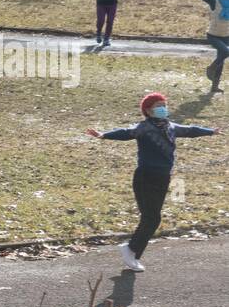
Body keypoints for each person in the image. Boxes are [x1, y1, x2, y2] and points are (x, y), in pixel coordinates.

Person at [86, 93, 217, 272]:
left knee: (152, 218)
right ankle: (131, 251)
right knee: (152, 217)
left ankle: (132, 251)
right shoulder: (144, 127)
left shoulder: (171, 127)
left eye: (164, 104)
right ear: (148, 110)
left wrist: (210, 131)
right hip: (145, 177)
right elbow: (126, 133)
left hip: (163, 177)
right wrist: (104, 135)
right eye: (158, 105)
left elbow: (190, 130)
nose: (163, 108)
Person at [171, 0, 229, 92]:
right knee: (226, 52)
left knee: (220, 61)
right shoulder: (213, 1)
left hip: (226, 36)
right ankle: (210, 68)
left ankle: (214, 86)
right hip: (213, 36)